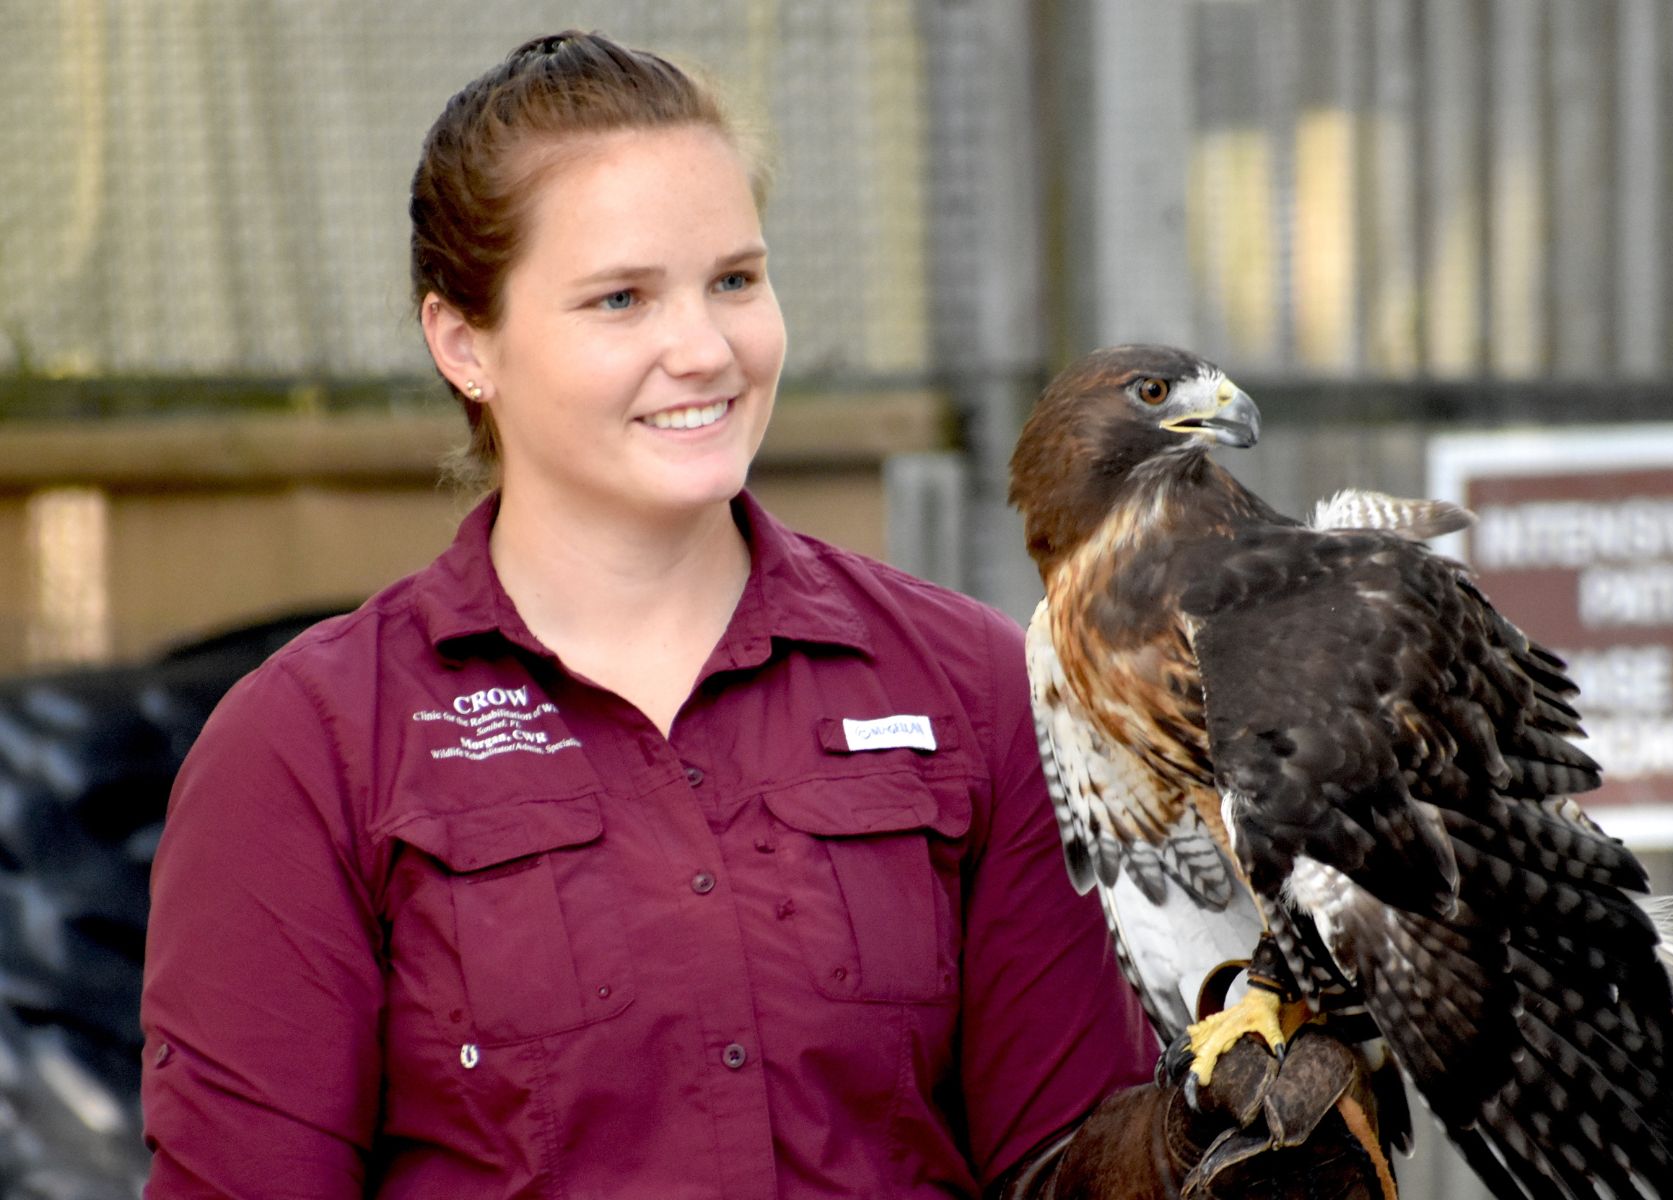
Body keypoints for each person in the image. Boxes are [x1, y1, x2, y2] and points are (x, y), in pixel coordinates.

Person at [139, 31, 1389, 1199]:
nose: (704, 349)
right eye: (620, 299)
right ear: (464, 342)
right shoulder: (309, 748)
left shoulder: (975, 687)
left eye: (734, 280)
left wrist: (1191, 1147)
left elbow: (1054, 1152)